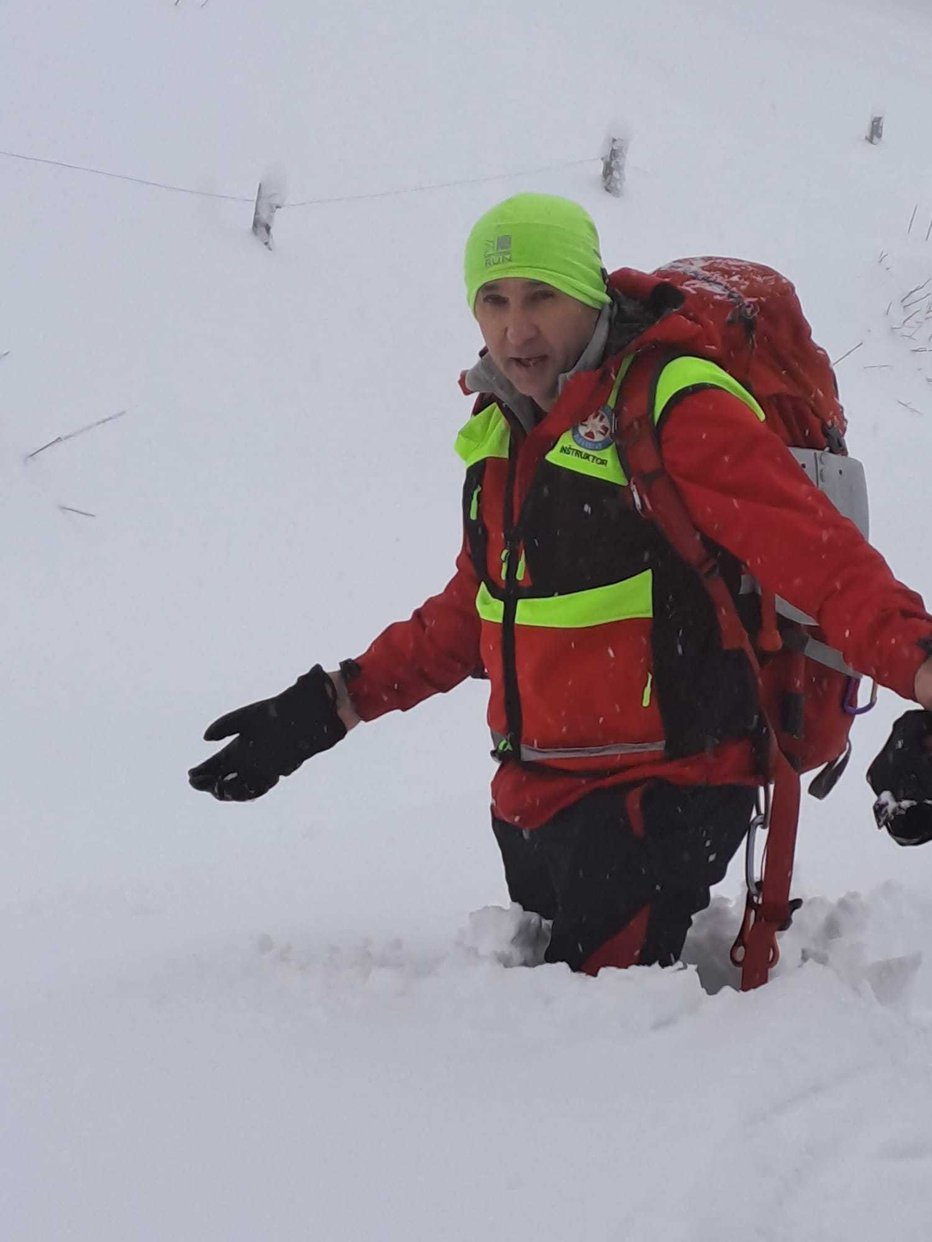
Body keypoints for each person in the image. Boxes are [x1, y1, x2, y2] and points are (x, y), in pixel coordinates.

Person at [190, 193, 932, 975]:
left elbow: (822, 563)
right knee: (561, 1031)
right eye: (494, 300)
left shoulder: (672, 407)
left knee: (592, 1065)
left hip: (662, 798)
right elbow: (474, 611)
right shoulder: (504, 428)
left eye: (542, 295)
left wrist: (919, 668)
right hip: (535, 803)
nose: (517, 328)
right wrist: (331, 705)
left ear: (590, 294)